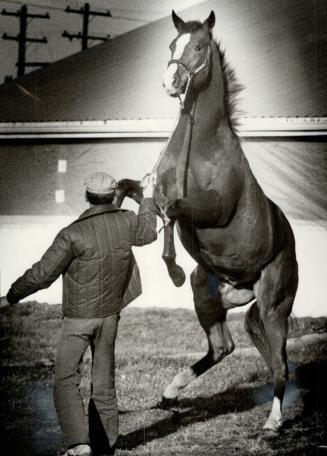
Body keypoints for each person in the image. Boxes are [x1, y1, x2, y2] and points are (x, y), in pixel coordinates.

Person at [4, 172, 158, 456]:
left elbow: (41, 275)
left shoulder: (72, 233)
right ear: (113, 196)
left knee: (65, 378)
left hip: (78, 318)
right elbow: (149, 230)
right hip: (110, 316)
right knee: (103, 380)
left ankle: (79, 444)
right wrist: (147, 196)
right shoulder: (126, 221)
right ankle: (105, 445)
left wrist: (11, 296)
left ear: (86, 196)